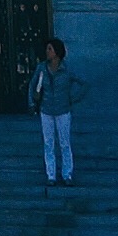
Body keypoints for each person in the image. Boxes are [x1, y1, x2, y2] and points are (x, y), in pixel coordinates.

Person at [32, 37, 81, 184]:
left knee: (64, 143)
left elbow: (83, 83)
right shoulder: (41, 68)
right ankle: (51, 175)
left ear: (57, 52)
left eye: (50, 49)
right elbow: (33, 85)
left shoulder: (66, 70)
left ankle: (67, 174)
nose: (47, 52)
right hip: (46, 110)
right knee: (48, 143)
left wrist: (73, 98)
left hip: (63, 110)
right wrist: (33, 100)